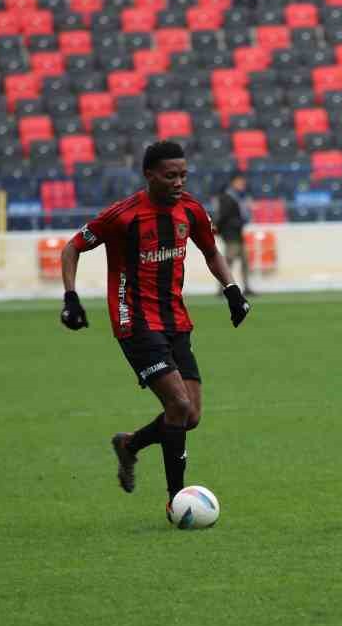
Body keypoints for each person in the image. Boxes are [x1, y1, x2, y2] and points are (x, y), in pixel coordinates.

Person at [59, 141, 254, 512]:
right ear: (149, 175)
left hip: (175, 320)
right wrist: (70, 297)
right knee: (178, 404)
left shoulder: (190, 210)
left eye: (183, 174)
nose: (179, 182)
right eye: (170, 176)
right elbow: (72, 248)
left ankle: (129, 445)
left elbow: (211, 251)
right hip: (134, 321)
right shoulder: (123, 216)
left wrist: (232, 290)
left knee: (190, 415)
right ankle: (176, 501)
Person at [213, 173, 252, 295]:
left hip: (237, 234)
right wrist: (218, 230)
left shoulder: (237, 197)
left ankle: (246, 286)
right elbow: (222, 216)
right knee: (228, 263)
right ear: (234, 182)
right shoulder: (227, 197)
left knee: (244, 261)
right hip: (230, 235)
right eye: (240, 182)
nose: (243, 185)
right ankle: (222, 289)